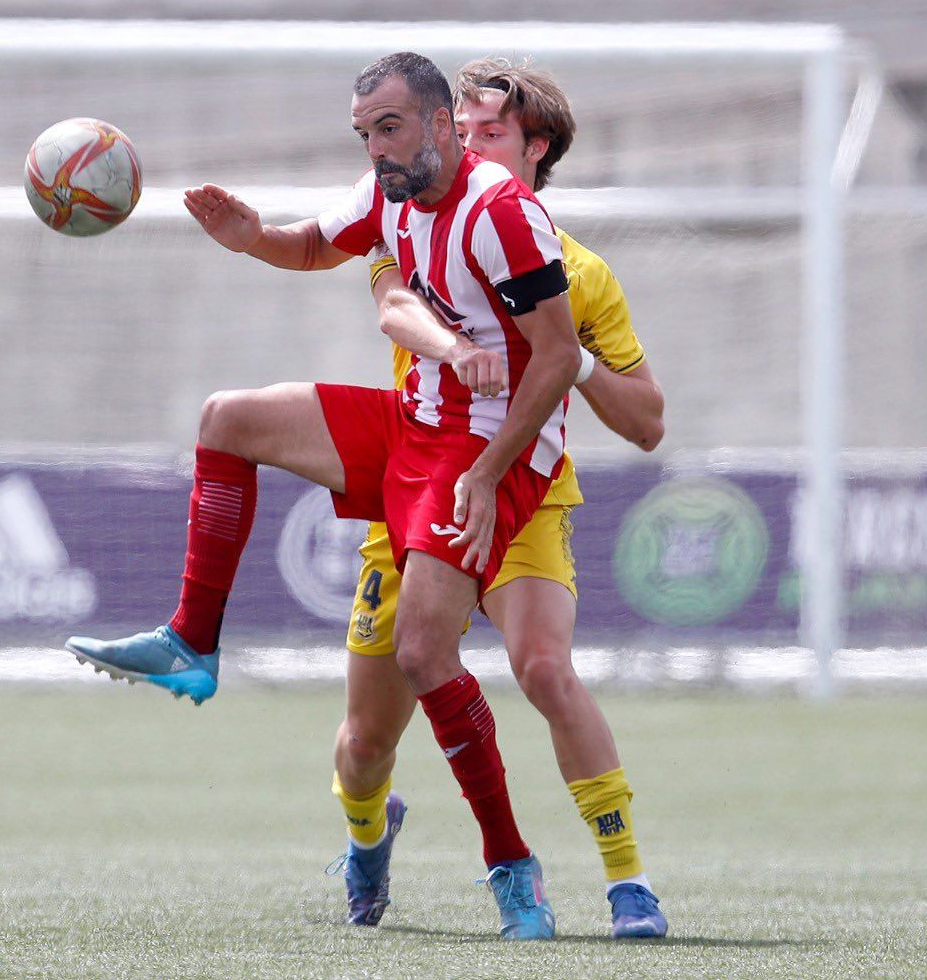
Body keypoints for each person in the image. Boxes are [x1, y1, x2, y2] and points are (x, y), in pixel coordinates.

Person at [66, 51, 578, 940]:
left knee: (424, 654)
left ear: (442, 125)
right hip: (415, 422)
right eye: (363, 134)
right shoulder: (387, 192)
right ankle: (193, 640)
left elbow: (561, 357)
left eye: (389, 128)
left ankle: (510, 864)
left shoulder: (503, 213)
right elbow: (313, 245)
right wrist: (251, 236)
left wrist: (490, 471)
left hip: (485, 449)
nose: (376, 149)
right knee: (227, 418)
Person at [327, 57, 668, 940]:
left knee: (546, 669)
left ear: (535, 148)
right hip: (414, 493)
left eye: (486, 132)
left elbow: (648, 422)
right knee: (365, 742)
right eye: (460, 128)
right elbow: (389, 298)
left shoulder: (579, 274)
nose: (462, 144)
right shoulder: (402, 213)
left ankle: (628, 881)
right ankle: (367, 837)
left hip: (522, 492)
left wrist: (571, 358)